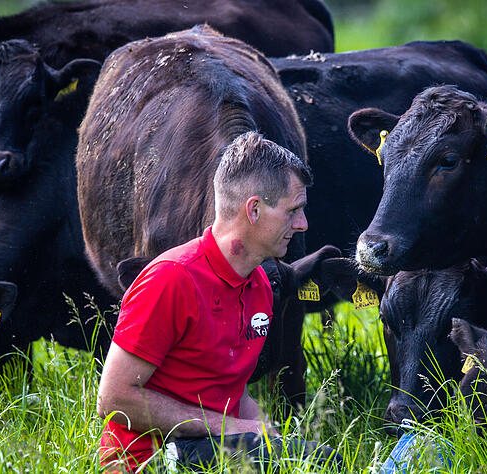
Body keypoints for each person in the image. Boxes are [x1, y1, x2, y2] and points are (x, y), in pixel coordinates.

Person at [96, 132, 339, 472]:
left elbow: (230, 388)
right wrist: (231, 428)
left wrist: (266, 433)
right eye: (292, 211)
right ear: (253, 210)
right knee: (322, 463)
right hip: (148, 459)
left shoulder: (260, 286)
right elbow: (113, 398)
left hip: (213, 447)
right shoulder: (171, 278)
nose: (302, 225)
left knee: (316, 460)